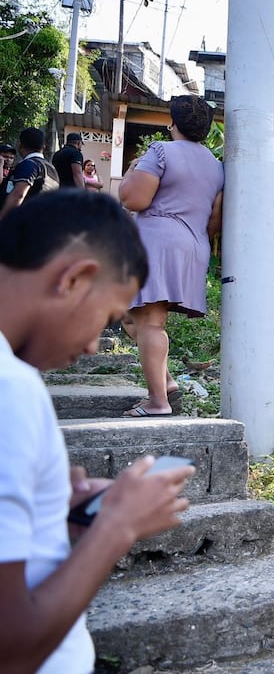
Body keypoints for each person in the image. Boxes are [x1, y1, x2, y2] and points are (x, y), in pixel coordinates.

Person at [0, 189, 194, 673]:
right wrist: (117, 525)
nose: (92, 347)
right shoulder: (12, 389)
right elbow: (11, 648)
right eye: (107, 320)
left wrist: (49, 511)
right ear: (74, 280)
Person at [119, 95, 224, 416]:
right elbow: (215, 218)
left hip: (158, 239)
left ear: (172, 122)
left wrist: (131, 172)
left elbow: (133, 199)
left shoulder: (161, 152)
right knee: (129, 315)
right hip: (194, 243)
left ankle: (158, 402)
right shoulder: (217, 166)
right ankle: (166, 382)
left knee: (150, 321)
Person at [0, 128, 58, 219]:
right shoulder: (51, 168)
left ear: (20, 145)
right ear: (43, 147)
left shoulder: (29, 164)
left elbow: (18, 195)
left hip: (26, 223)